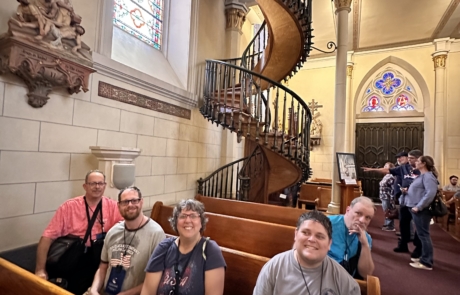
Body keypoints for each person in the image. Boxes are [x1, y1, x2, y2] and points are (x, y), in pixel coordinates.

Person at [35, 170, 123, 295]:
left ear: (105, 185)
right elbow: (47, 237)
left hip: (98, 256)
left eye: (100, 183)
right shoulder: (69, 207)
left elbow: (127, 228)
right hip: (74, 254)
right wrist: (40, 270)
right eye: (92, 183)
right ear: (85, 186)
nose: (97, 187)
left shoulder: (113, 206)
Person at [252, 211, 360, 295]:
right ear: (296, 234)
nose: (312, 239)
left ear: (329, 244)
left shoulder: (344, 281)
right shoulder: (274, 267)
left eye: (320, 236)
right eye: (306, 232)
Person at [87, 186, 166, 295]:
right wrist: (94, 290)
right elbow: (103, 266)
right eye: (125, 202)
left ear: (141, 202)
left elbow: (157, 279)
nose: (130, 205)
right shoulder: (113, 231)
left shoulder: (156, 234)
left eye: (134, 200)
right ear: (118, 206)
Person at [141, 199, 226, 295]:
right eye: (182, 216)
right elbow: (148, 292)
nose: (188, 220)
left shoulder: (210, 250)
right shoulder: (164, 247)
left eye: (193, 216)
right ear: (175, 222)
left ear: (201, 222)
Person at [362, 149, 423, 257]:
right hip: (405, 200)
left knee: (418, 225)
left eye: (411, 158)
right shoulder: (404, 167)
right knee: (403, 223)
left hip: (418, 201)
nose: (408, 160)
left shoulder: (423, 170)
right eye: (408, 158)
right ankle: (403, 244)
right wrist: (371, 169)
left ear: (418, 159)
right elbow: (388, 170)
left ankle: (418, 248)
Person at [327, 197, 375, 279]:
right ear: (348, 210)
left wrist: (365, 245)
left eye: (367, 217)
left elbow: (366, 274)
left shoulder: (366, 238)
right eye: (358, 213)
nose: (362, 220)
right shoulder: (326, 225)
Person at [405, 156, 438, 270]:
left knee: (424, 235)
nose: (416, 162)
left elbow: (430, 194)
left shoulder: (428, 176)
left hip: (421, 210)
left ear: (423, 164)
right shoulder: (423, 176)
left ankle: (426, 261)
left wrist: (419, 207)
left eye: (418, 161)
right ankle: (422, 256)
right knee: (421, 234)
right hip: (415, 208)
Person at [380, 162, 396, 231]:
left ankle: (390, 226)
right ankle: (387, 223)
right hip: (383, 195)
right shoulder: (386, 175)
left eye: (386, 166)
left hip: (388, 196)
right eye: (384, 165)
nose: (384, 167)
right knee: (385, 210)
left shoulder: (391, 176)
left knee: (388, 210)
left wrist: (392, 198)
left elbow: (393, 188)